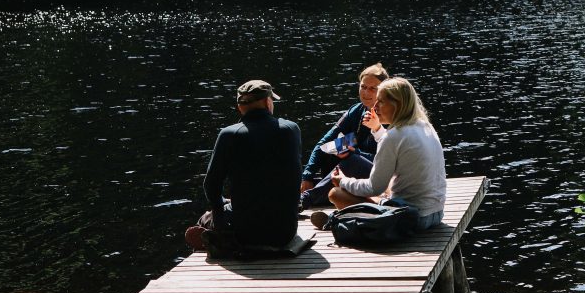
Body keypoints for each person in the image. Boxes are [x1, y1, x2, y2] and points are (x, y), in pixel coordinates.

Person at [185, 80, 302, 251]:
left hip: (245, 233)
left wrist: (219, 216)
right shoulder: (292, 129)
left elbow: (211, 185)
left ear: (240, 107)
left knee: (208, 216)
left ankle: (216, 235)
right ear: (267, 102)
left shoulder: (229, 134)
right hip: (284, 232)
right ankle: (219, 231)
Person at [326, 77, 446, 231]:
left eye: (381, 102)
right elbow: (394, 146)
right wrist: (377, 130)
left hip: (412, 218)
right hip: (436, 213)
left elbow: (373, 187)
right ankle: (359, 211)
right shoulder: (425, 125)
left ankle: (339, 218)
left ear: (398, 104)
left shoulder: (393, 135)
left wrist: (343, 181)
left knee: (335, 194)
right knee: (389, 184)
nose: (374, 107)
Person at [299, 63, 390, 208]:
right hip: (354, 169)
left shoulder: (389, 114)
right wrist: (307, 175)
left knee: (351, 159)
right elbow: (324, 143)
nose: (366, 92)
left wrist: (356, 153)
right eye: (363, 87)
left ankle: (305, 200)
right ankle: (309, 191)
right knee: (329, 149)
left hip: (382, 177)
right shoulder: (356, 110)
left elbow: (390, 161)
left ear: (384, 91)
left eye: (373, 88)